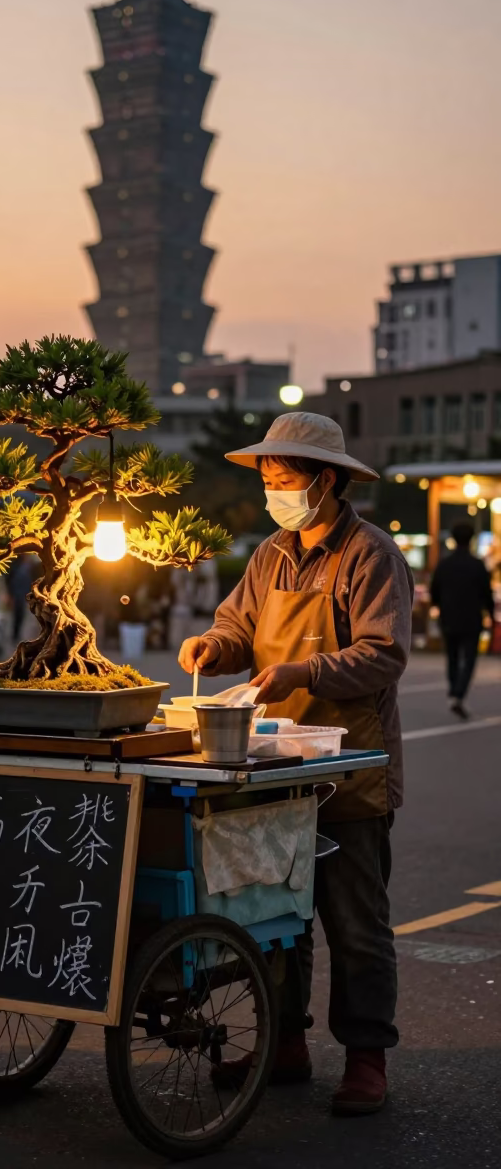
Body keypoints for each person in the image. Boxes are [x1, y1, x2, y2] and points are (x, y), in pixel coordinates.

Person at [179, 412, 414, 1116]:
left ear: (328, 480)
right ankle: (284, 1043)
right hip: (272, 764)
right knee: (275, 915)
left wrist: (301, 670)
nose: (273, 491)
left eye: (284, 481)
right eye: (269, 481)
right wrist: (213, 648)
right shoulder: (271, 554)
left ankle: (366, 1058)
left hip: (349, 768)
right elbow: (236, 623)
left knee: (355, 923)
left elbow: (384, 653)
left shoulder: (371, 555)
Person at [430, 521, 494, 720]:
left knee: (452, 657)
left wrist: (440, 607)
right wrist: (490, 615)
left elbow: (434, 591)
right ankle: (458, 694)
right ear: (472, 539)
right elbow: (487, 594)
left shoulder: (444, 564)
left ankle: (453, 692)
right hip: (471, 619)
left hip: (448, 618)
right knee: (469, 659)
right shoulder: (477, 565)